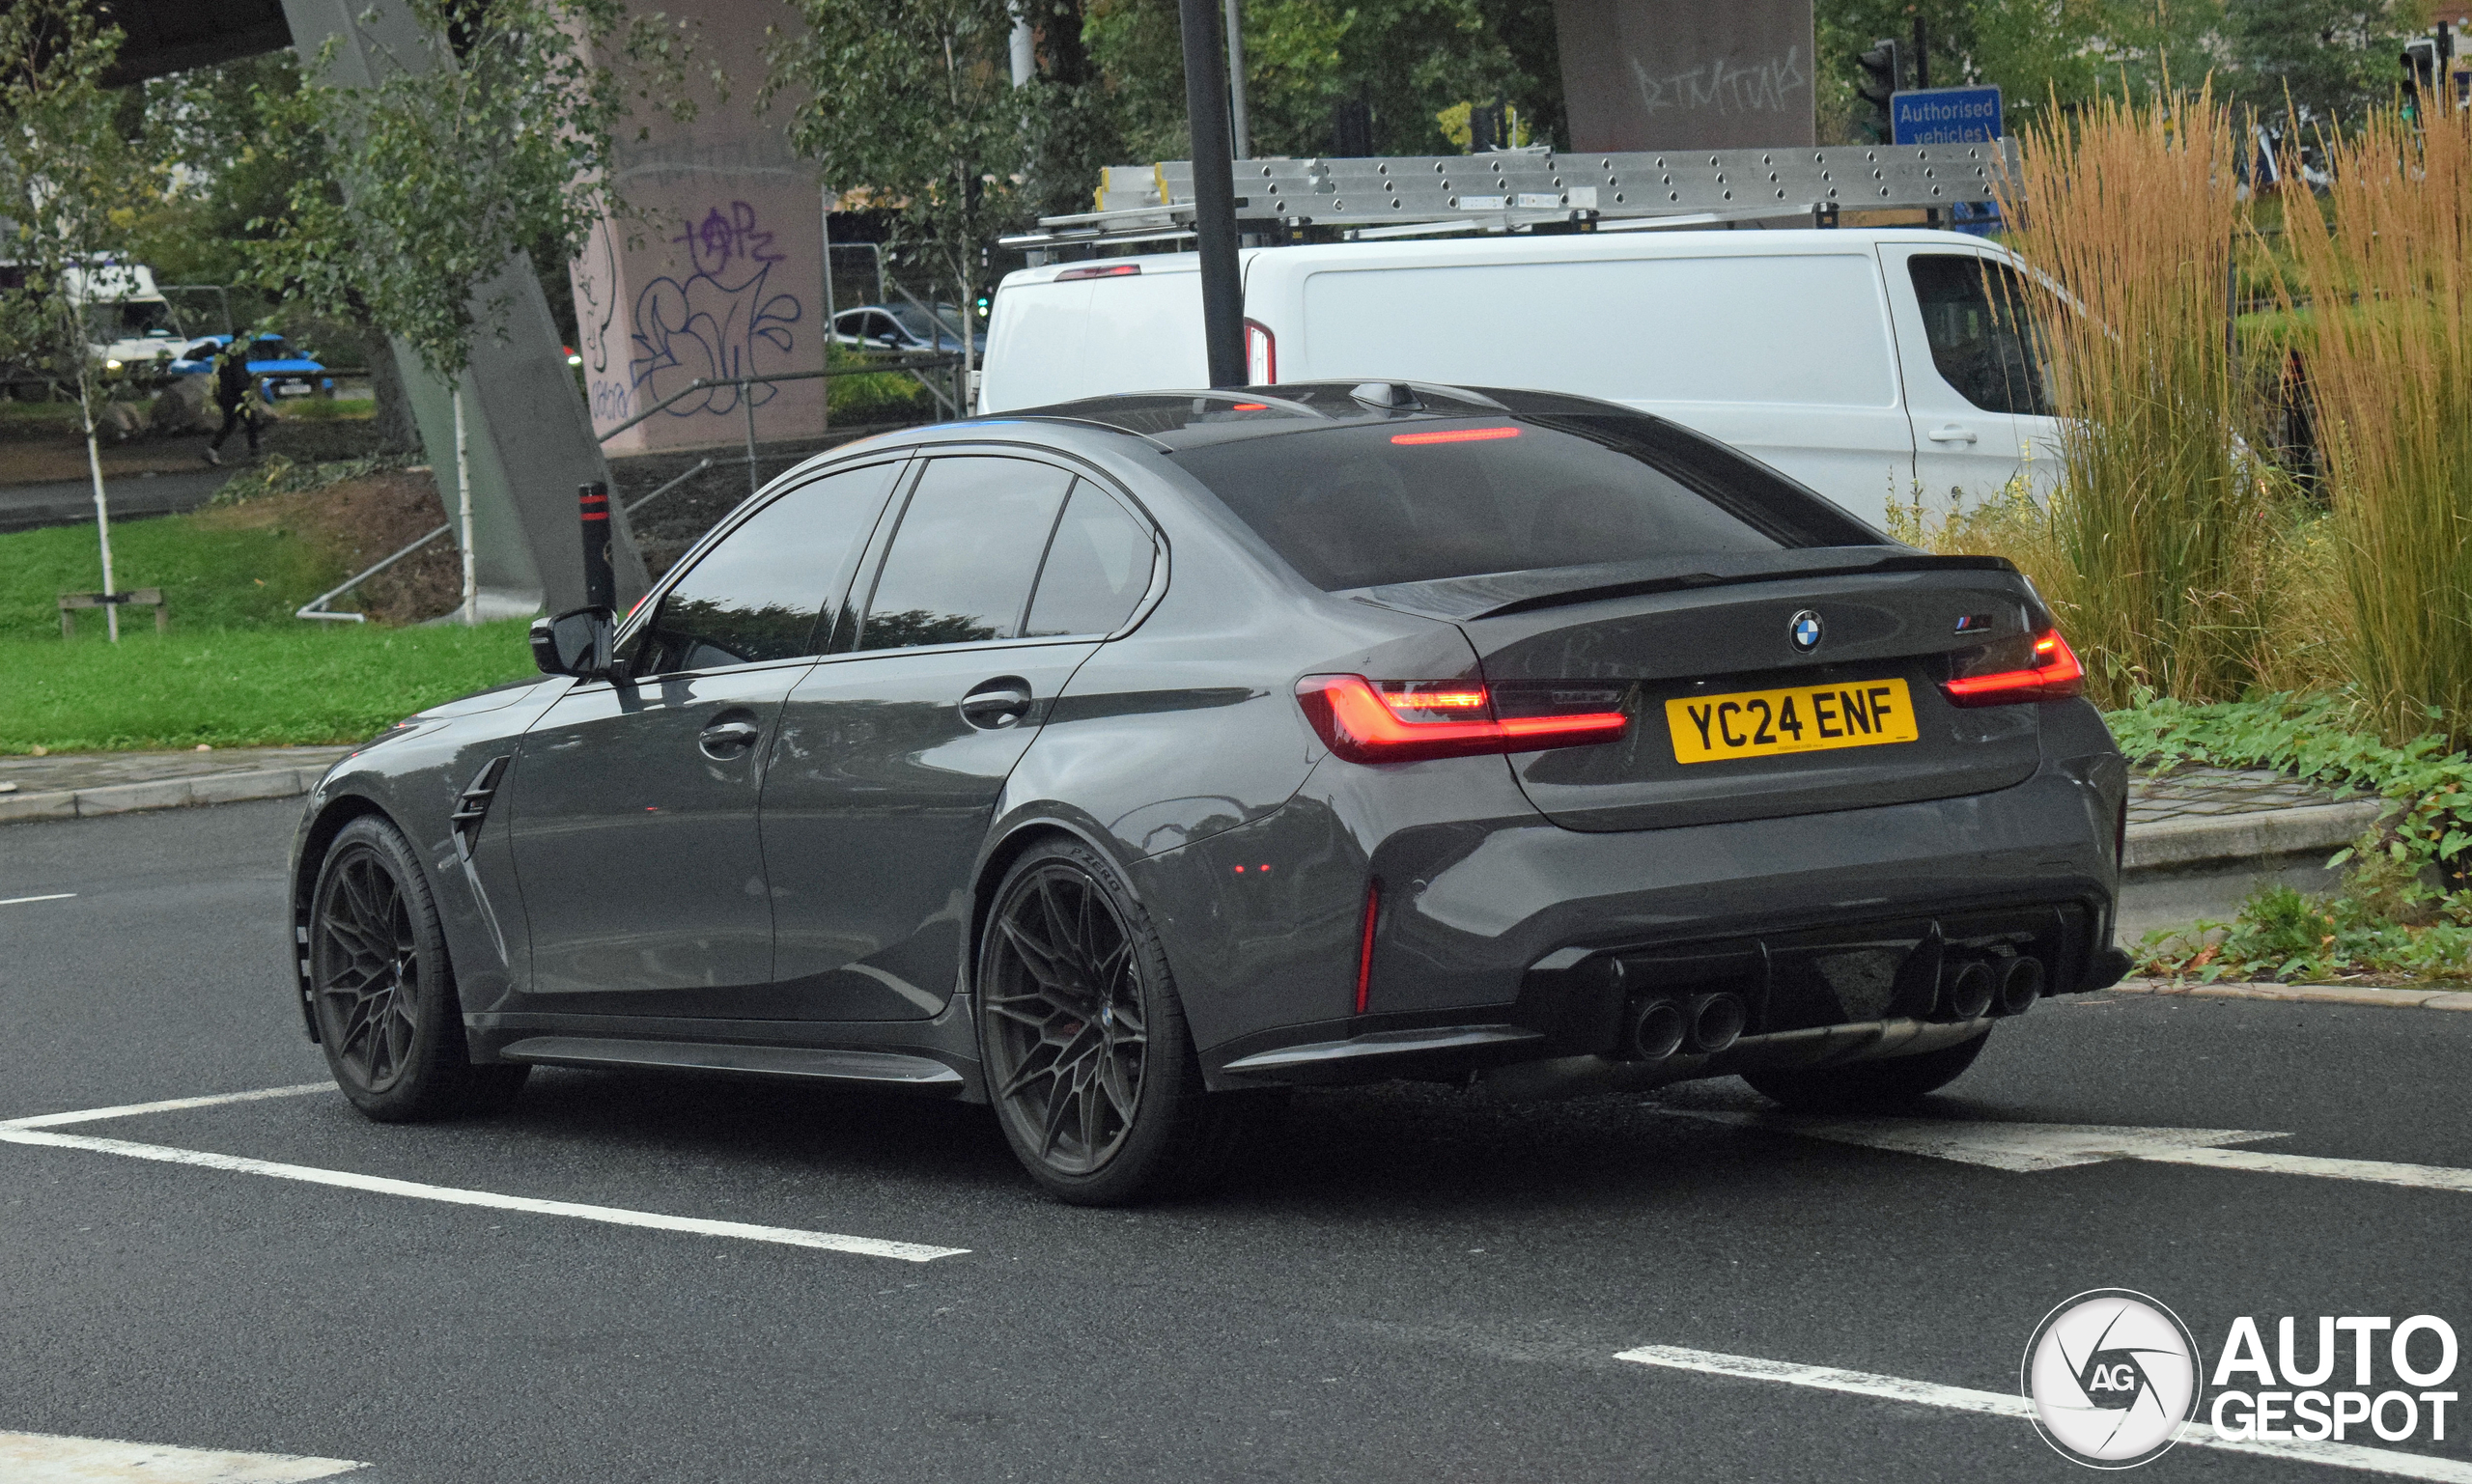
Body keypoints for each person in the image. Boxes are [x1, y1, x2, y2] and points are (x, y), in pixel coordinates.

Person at [204, 340, 261, 465]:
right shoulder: (232, 354)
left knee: (248, 422)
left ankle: (254, 452)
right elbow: (236, 376)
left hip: (234, 395)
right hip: (231, 395)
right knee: (235, 423)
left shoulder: (237, 354)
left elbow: (241, 373)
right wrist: (246, 386)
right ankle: (214, 449)